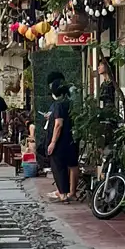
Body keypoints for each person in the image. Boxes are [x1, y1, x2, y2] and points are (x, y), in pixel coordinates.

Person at [44, 73, 79, 201]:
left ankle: (62, 193)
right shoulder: (70, 102)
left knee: (58, 166)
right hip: (72, 138)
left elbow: (58, 124)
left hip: (60, 140)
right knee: (72, 165)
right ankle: (72, 192)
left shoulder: (58, 105)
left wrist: (53, 142)